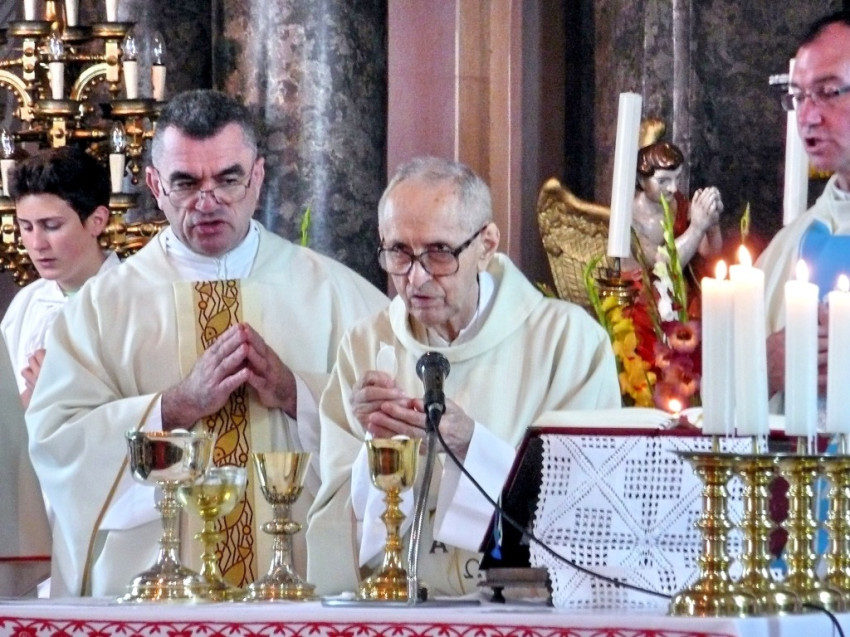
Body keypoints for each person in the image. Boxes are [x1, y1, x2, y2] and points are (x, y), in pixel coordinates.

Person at [25, 89, 388, 598]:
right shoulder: (103, 308)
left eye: (228, 179)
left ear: (257, 177)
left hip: (301, 588)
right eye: (186, 182)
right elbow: (56, 445)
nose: (208, 200)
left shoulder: (335, 294)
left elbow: (396, 431)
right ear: (155, 185)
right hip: (152, 598)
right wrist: (173, 408)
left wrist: (296, 394)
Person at [306, 156, 621, 596]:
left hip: (519, 610)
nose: (416, 278)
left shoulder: (569, 343)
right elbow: (335, 525)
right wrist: (374, 450)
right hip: (396, 609)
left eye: (439, 252)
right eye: (398, 252)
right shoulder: (364, 344)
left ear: (486, 245)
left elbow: (590, 510)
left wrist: (472, 447)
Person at [755, 11, 850, 406]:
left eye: (829, 92)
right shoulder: (791, 243)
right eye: (798, 96)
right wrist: (765, 366)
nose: (808, 117)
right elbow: (717, 401)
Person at [1, 147, 119, 408]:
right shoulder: (25, 304)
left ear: (97, 221)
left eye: (52, 226)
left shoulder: (134, 299)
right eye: (26, 226)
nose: (36, 244)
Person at [631, 140, 723, 273]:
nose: (673, 188)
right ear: (641, 179)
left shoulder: (681, 205)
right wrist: (696, 229)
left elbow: (710, 253)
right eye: (663, 181)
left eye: (678, 178)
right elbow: (661, 264)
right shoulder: (631, 218)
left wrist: (711, 221)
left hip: (679, 285)